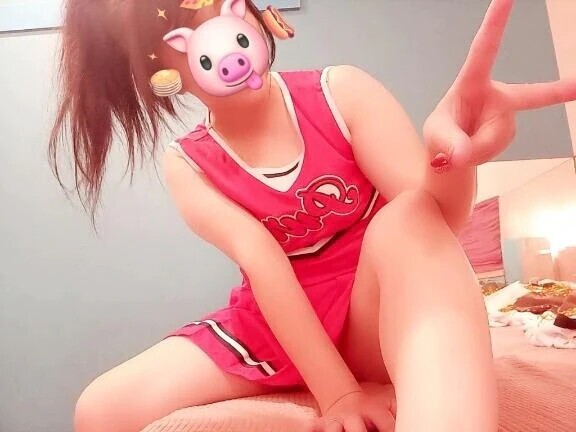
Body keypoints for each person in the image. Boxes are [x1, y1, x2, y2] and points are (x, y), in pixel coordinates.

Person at [49, 0, 576, 431]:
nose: (225, 43)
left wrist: (451, 154)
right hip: (274, 326)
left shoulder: (341, 92)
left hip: (370, 311)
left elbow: (435, 222)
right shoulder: (189, 163)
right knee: (100, 409)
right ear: (161, 73)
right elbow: (265, 265)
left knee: (407, 214)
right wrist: (338, 393)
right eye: (189, 34)